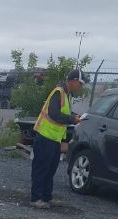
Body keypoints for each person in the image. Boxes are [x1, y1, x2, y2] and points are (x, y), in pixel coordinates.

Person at [30, 69, 86, 208]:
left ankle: (46, 196)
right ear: (73, 81)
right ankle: (36, 198)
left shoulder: (65, 94)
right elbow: (54, 114)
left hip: (54, 138)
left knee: (50, 169)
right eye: (80, 83)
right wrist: (72, 119)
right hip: (46, 136)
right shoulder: (59, 92)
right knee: (42, 168)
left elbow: (61, 113)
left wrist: (73, 117)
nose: (80, 86)